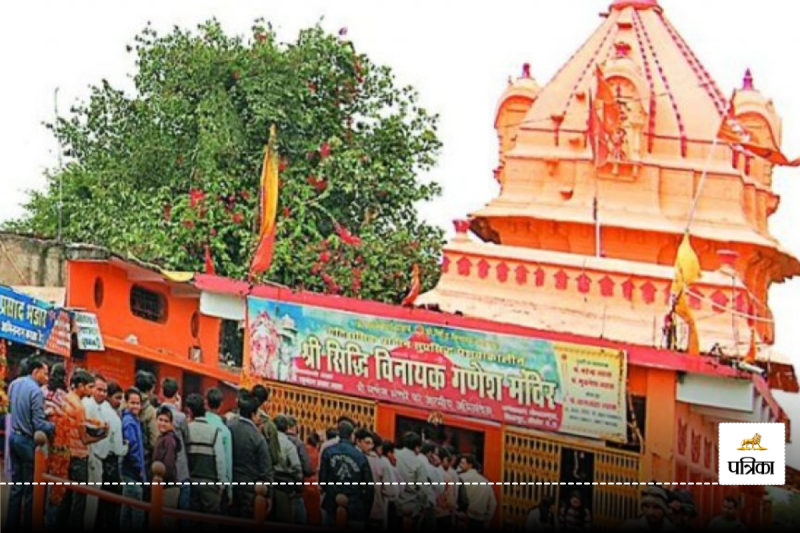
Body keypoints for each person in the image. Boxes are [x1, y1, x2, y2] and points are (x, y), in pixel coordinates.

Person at [7, 358, 54, 532]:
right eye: (45, 373)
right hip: (27, 441)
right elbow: (39, 425)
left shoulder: (14, 384)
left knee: (16, 486)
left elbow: (13, 408)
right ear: (35, 372)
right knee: (30, 489)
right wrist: (53, 425)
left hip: (13, 437)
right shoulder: (36, 391)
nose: (47, 377)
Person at [57, 369, 107, 530]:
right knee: (79, 499)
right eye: (90, 387)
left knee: (66, 496)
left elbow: (81, 423)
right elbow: (84, 438)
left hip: (65, 452)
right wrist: (103, 435)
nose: (92, 391)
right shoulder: (79, 406)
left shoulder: (66, 398)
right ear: (80, 386)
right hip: (78, 456)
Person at [319, 420, 375, 529]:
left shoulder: (328, 451)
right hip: (355, 507)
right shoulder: (360, 456)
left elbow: (322, 480)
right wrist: (365, 510)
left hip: (332, 504)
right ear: (352, 435)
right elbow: (369, 487)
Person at [227, 391, 272, 519]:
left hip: (230, 483)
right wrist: (268, 495)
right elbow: (266, 469)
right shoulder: (257, 437)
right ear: (253, 414)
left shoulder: (228, 427)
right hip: (250, 489)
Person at [185, 392, 226, 523]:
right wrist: (222, 483)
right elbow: (220, 460)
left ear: (190, 411)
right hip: (210, 482)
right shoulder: (214, 431)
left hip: (191, 480)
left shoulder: (187, 430)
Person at [95, 381, 127, 532]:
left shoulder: (100, 409)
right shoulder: (114, 418)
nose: (119, 401)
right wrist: (127, 446)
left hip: (99, 459)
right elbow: (118, 448)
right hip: (111, 462)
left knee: (101, 502)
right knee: (113, 503)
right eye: (117, 397)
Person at [41, 362, 69, 528]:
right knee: (56, 479)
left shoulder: (43, 390)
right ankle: (50, 519)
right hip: (59, 438)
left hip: (41, 435)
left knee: (41, 474)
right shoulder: (64, 395)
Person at [82, 374, 112, 530]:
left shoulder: (103, 407)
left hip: (99, 457)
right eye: (99, 389)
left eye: (105, 391)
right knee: (90, 499)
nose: (103, 393)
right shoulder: (88, 405)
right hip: (91, 456)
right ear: (91, 388)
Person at [161, 377, 191, 518]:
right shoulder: (180, 417)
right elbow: (186, 438)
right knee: (183, 513)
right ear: (177, 394)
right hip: (180, 468)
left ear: (162, 392)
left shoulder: (158, 413)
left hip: (161, 469)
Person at [120, 387, 147, 532]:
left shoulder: (133, 420)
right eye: (132, 403)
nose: (135, 406)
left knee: (127, 509)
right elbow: (133, 449)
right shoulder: (129, 422)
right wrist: (140, 469)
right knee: (136, 512)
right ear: (126, 402)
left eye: (138, 403)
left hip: (130, 471)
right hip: (133, 472)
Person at [394, 431, 430, 530]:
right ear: (417, 447)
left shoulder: (394, 454)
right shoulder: (419, 463)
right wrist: (423, 504)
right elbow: (423, 488)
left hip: (393, 502)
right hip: (411, 504)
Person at [205, 387, 233, 512]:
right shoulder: (225, 431)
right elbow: (227, 461)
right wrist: (229, 489)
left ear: (206, 402)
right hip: (215, 482)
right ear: (221, 405)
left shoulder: (197, 423)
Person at [154, 405, 182, 529]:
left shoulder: (169, 440)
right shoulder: (161, 438)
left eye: (166, 421)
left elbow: (169, 466)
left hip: (167, 486)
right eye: (160, 419)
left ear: (171, 424)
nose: (162, 423)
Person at [272, 414, 303, 523]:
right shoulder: (289, 445)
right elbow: (297, 468)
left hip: (269, 483)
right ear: (286, 428)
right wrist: (298, 488)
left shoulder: (266, 440)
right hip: (285, 487)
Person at [285, 416, 314, 524]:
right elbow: (307, 468)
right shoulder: (298, 443)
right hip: (295, 489)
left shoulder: (276, 439)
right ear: (294, 427)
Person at [457, 454, 497, 532]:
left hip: (464, 519)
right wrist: (487, 520)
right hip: (480, 520)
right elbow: (493, 503)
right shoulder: (485, 481)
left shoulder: (461, 478)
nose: (459, 465)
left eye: (462, 463)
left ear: (470, 465)